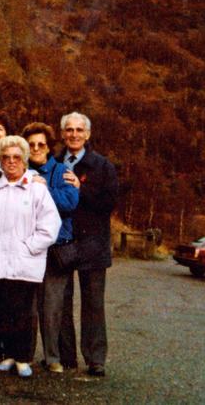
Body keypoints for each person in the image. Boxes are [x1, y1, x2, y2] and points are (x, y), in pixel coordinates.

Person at [0, 135, 61, 377]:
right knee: (3, 310)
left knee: (24, 311)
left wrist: (29, 247)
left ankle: (23, 358)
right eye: (6, 158)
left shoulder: (36, 190)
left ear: (24, 160)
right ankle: (7, 354)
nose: (11, 162)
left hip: (25, 262)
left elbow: (51, 225)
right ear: (0, 161)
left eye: (16, 157)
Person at [55, 112, 118, 377]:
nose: (74, 134)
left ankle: (95, 359)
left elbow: (108, 204)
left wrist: (81, 191)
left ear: (88, 134)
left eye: (79, 130)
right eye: (69, 130)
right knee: (61, 301)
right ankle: (65, 357)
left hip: (93, 244)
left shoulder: (103, 166)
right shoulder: (55, 162)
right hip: (62, 243)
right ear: (63, 133)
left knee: (93, 304)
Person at [21, 122, 79, 374]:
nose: (35, 149)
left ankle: (53, 356)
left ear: (48, 147)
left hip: (55, 250)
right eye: (31, 144)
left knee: (52, 307)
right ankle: (25, 354)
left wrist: (44, 190)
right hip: (26, 249)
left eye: (41, 144)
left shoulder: (61, 171)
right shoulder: (18, 169)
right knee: (27, 306)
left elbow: (69, 202)